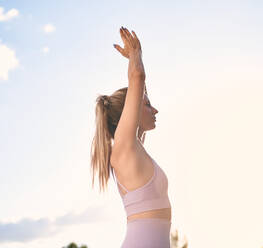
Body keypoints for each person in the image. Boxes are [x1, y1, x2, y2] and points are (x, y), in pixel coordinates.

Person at [90, 27, 172, 247]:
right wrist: (136, 55)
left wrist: (138, 66)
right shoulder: (124, 148)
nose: (155, 110)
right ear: (131, 110)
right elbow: (137, 78)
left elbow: (141, 86)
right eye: (147, 105)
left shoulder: (135, 148)